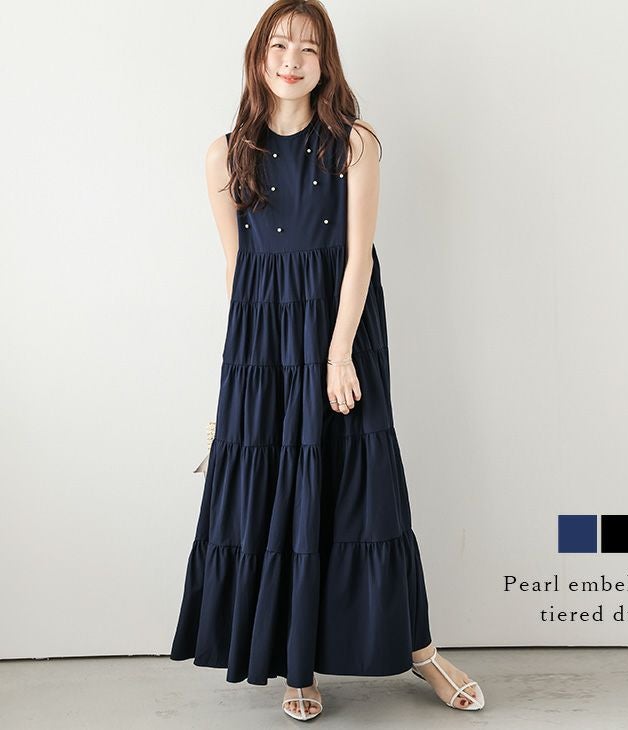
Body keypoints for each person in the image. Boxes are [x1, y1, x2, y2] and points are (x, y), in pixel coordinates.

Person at [170, 0, 485, 719]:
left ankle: (422, 653)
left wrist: (338, 354)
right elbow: (237, 270)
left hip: (341, 328)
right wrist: (239, 389)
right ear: (258, 56)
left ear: (325, 63)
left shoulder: (353, 144)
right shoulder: (225, 154)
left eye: (308, 49)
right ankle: (297, 664)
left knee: (366, 491)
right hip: (262, 344)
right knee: (278, 496)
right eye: (279, 45)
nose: (292, 60)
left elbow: (357, 258)